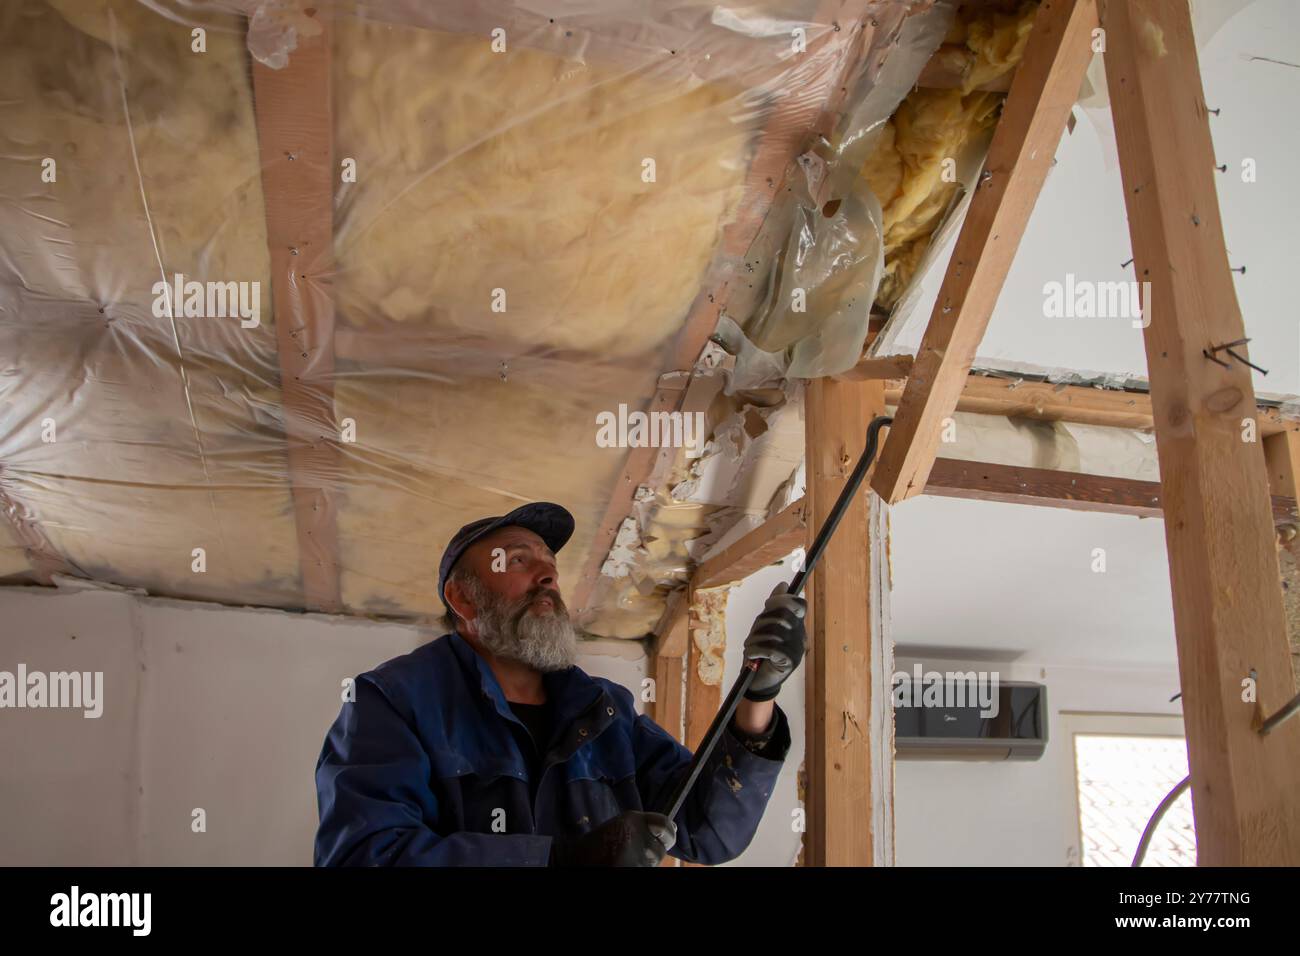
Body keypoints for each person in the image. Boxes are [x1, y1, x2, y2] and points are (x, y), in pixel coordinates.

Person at [314, 501, 805, 866]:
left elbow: (707, 828)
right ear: (462, 597)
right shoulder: (394, 700)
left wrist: (757, 696)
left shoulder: (604, 708)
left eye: (550, 563)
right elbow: (363, 855)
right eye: (519, 560)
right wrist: (562, 861)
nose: (548, 574)